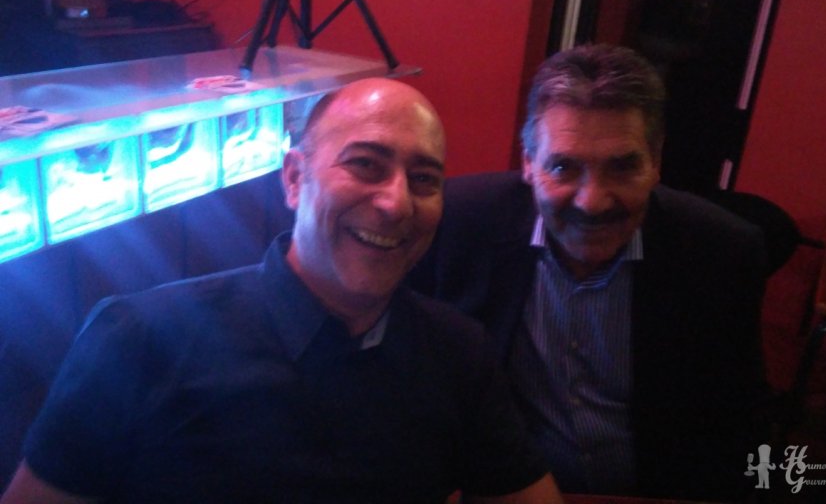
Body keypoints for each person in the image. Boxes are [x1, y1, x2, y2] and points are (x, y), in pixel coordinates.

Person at [0, 78, 561, 504]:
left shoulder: (459, 354)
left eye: (424, 180)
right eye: (365, 165)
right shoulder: (139, 339)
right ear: (294, 179)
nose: (396, 203)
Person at [409, 44, 769, 500]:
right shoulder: (454, 224)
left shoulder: (721, 254)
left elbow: (742, 425)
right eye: (564, 167)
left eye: (623, 167)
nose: (592, 201)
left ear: (656, 162)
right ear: (528, 163)